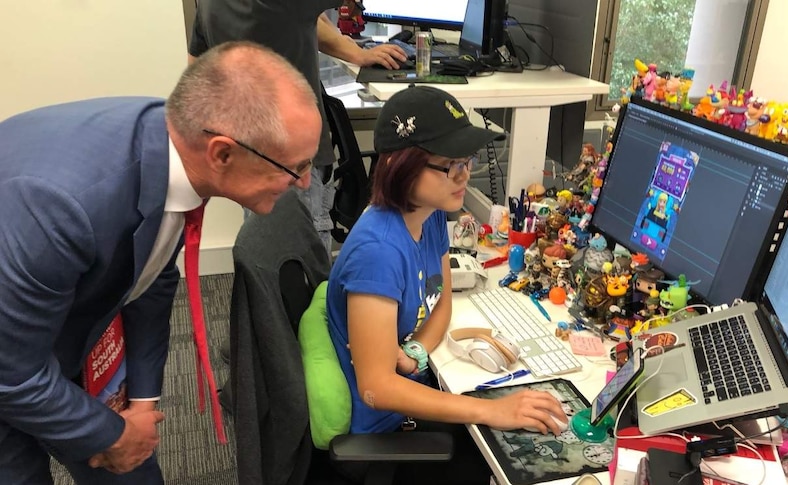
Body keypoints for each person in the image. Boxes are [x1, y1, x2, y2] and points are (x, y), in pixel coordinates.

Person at [0, 41, 321, 484]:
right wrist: (110, 435)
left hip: (74, 323)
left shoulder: (171, 144)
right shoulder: (61, 206)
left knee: (133, 464)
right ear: (223, 153)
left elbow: (150, 281)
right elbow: (12, 378)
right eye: (296, 167)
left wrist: (142, 403)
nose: (304, 183)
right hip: (11, 363)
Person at [326, 86, 567, 484]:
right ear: (402, 166)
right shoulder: (379, 252)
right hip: (385, 433)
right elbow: (377, 387)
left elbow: (441, 302)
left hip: (414, 392)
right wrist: (491, 410)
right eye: (450, 164)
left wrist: (417, 352)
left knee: (528, 425)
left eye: (467, 160)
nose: (464, 174)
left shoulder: (431, 213)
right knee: (515, 452)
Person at [188, 1, 407, 253]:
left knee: (266, 255)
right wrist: (358, 52)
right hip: (294, 161)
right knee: (304, 266)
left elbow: (197, 71)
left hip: (246, 152)